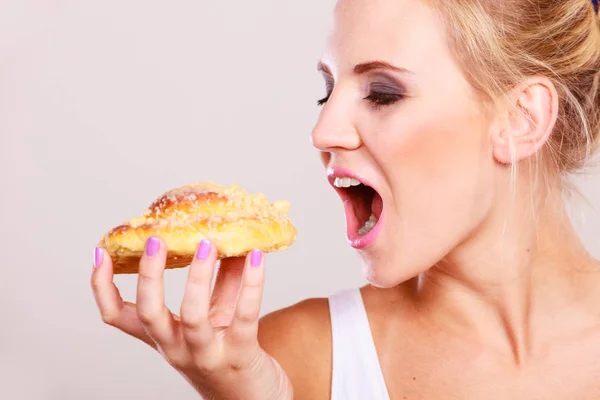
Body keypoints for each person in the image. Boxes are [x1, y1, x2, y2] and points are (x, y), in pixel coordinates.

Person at [90, 0, 600, 398]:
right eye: (326, 89)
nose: (323, 131)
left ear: (522, 119)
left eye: (382, 93)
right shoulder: (289, 360)